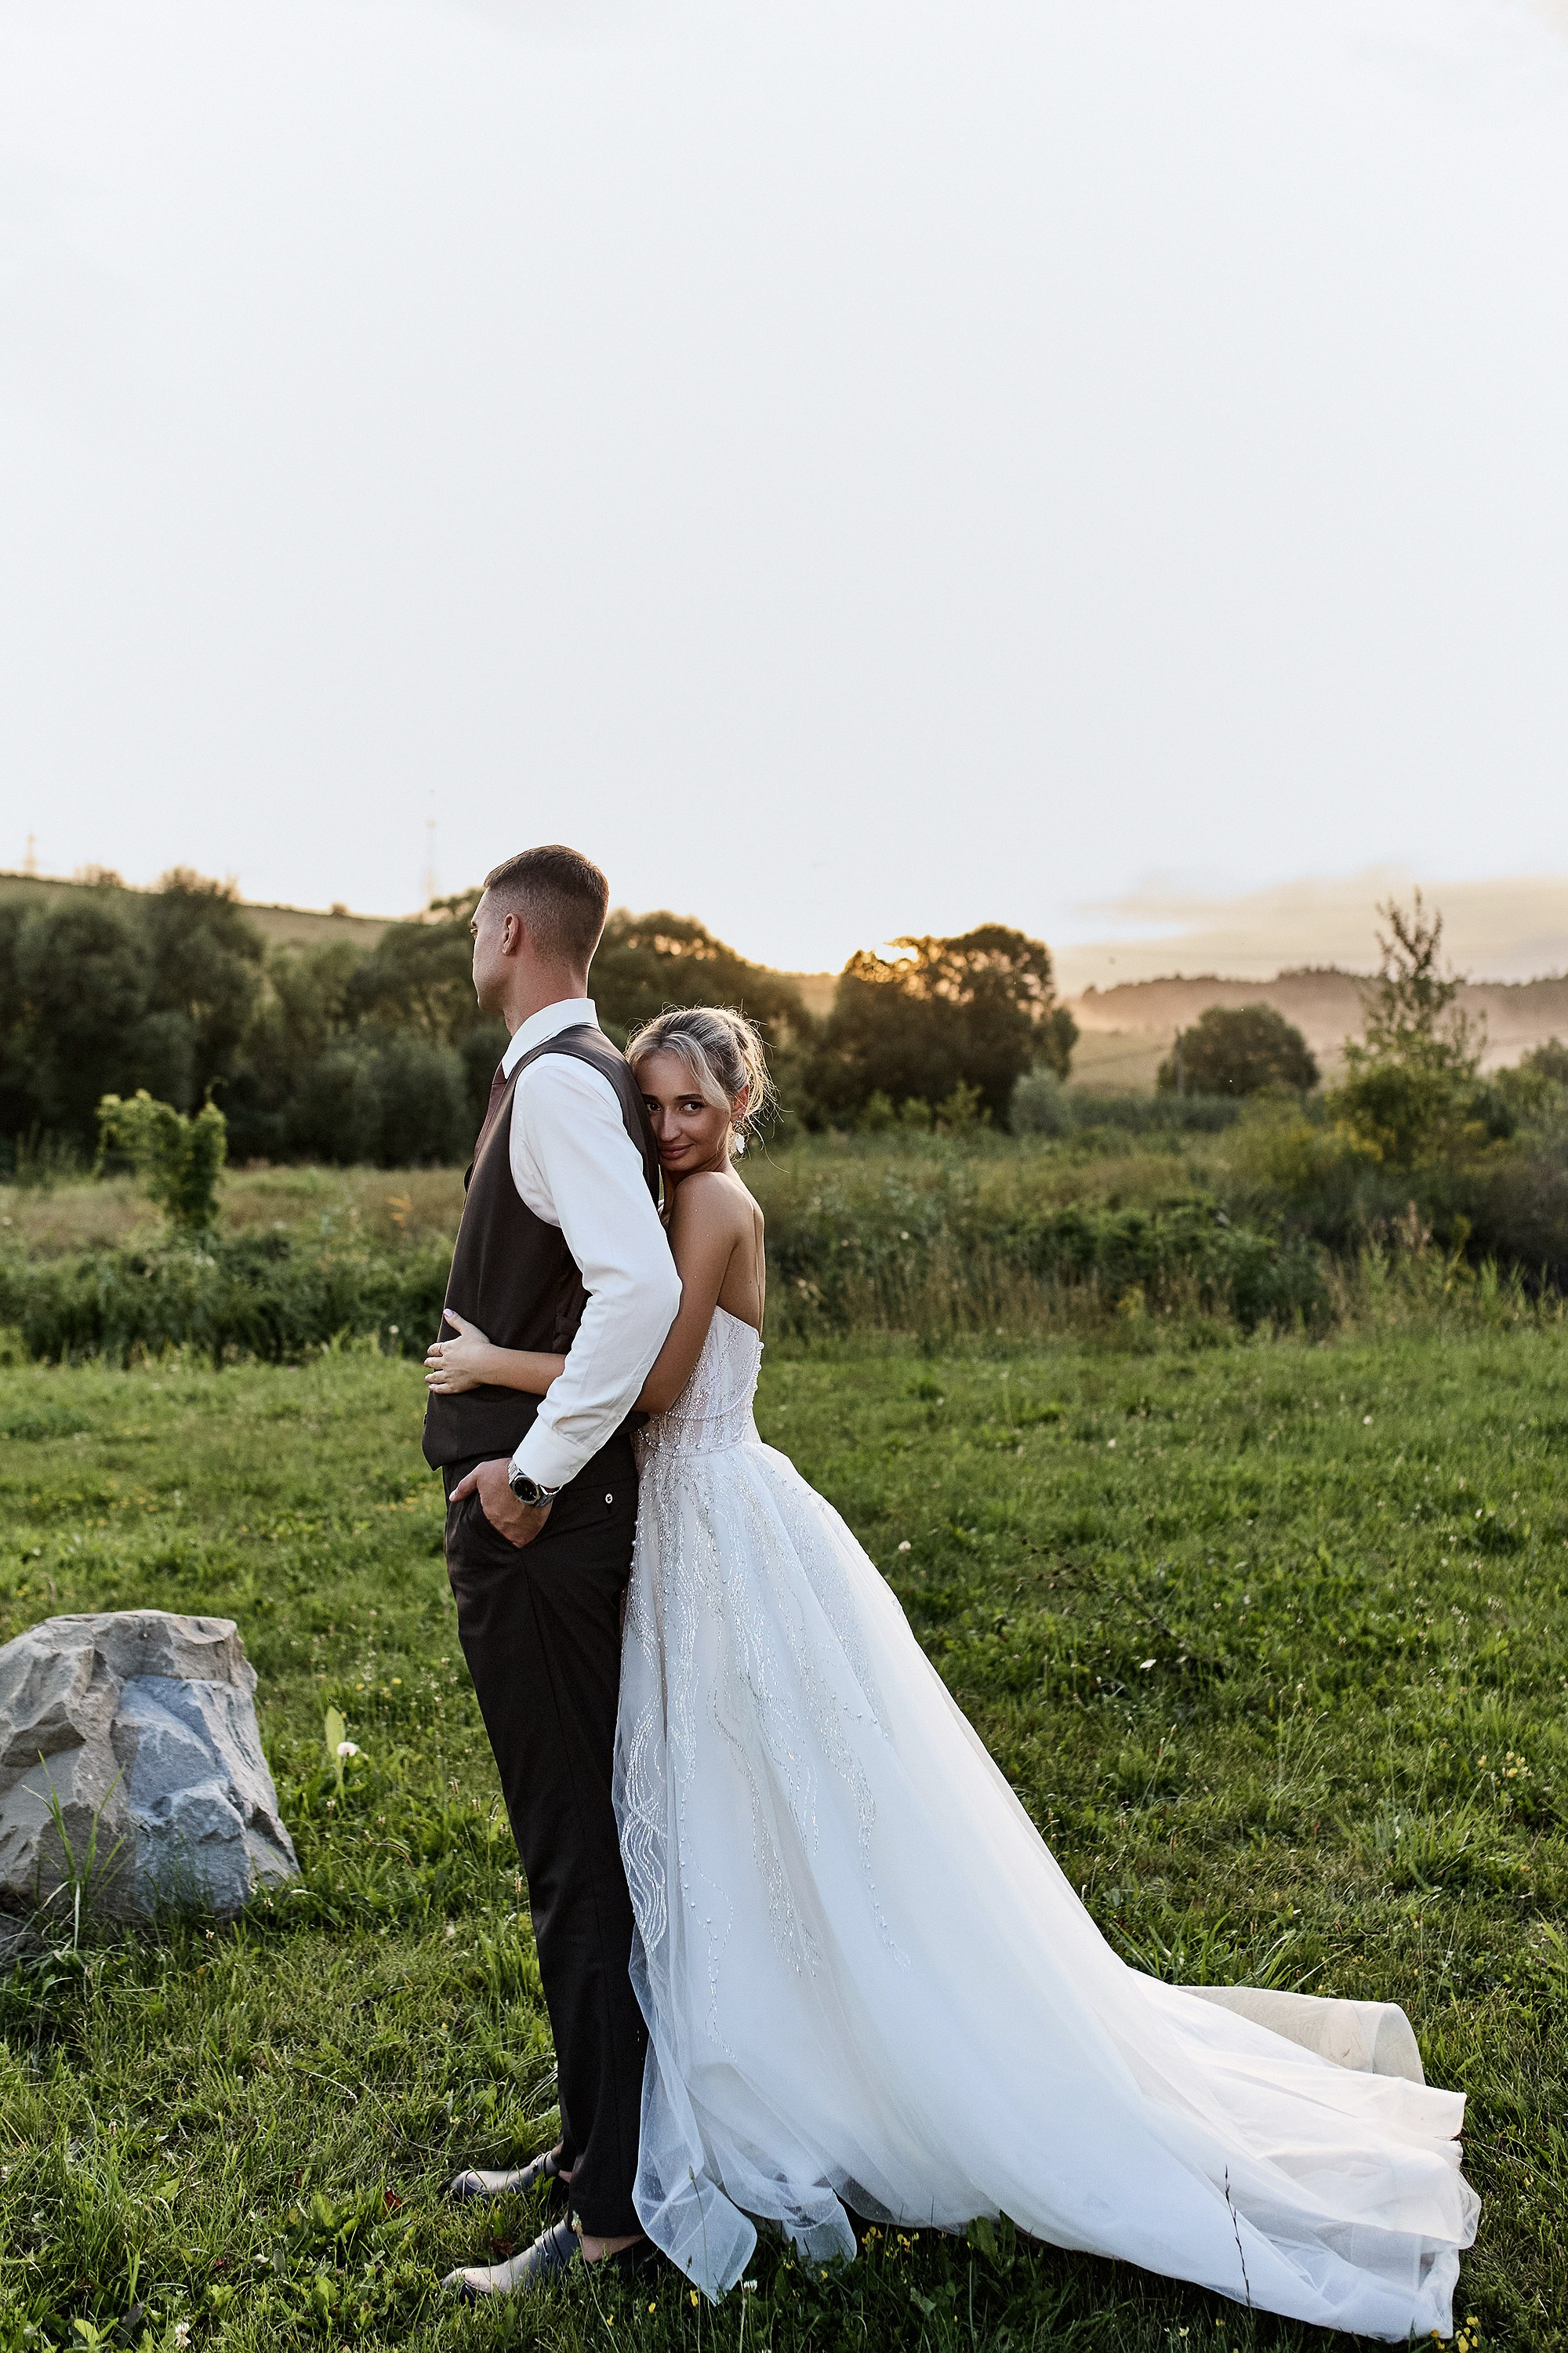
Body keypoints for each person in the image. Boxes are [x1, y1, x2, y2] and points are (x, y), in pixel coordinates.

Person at [426, 1004, 1479, 2339]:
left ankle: (697, 2121)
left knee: (744, 1817)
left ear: (742, 1102)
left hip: (717, 1529)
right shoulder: (683, 1193)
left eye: (690, 1103)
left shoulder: (709, 1207)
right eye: (651, 1104)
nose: (666, 1127)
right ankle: (627, 2125)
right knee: (706, 1826)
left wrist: (492, 1366)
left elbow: (653, 1378)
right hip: (690, 1534)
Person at [421, 846, 681, 2300]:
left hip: (539, 1533)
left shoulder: (567, 1082)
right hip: (541, 1524)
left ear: (511, 928)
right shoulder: (567, 1075)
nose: (471, 935)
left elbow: (638, 1292)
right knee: (574, 1846)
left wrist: (531, 1475)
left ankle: (610, 2224)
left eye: (473, 919)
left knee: (573, 1858)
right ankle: (596, 2148)